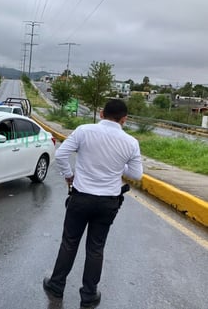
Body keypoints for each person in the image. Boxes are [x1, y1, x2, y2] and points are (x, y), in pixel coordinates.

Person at [43, 99, 143, 309]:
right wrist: (116, 166)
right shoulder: (131, 142)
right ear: (124, 119)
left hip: (81, 198)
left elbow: (61, 154)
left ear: (101, 113)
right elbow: (136, 174)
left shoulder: (84, 131)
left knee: (69, 242)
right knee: (96, 248)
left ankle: (56, 285)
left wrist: (69, 176)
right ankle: (88, 295)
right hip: (108, 202)